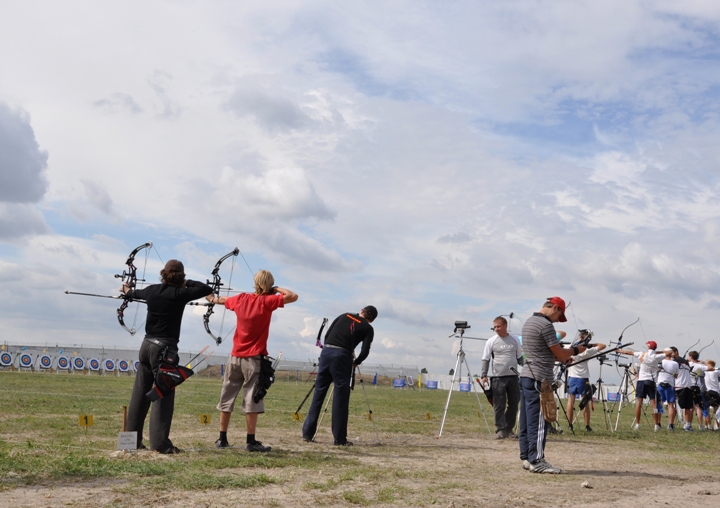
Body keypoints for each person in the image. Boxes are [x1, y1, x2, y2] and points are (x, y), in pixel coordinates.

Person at [124, 259, 213, 453]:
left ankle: (130, 442)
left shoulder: (152, 290)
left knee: (139, 393)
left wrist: (127, 290)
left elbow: (132, 293)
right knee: (163, 392)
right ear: (181, 276)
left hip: (146, 346)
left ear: (163, 273)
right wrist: (186, 282)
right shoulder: (180, 293)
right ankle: (160, 445)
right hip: (164, 349)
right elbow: (205, 288)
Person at [211, 270, 297, 452]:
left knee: (227, 396)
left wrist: (210, 296)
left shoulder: (241, 299)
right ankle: (250, 441)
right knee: (252, 398)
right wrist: (275, 289)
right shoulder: (268, 301)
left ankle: (222, 439)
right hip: (253, 359)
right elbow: (292, 296)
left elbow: (221, 300)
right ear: (269, 285)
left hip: (234, 357)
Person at [519, 297, 588, 474]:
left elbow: (550, 353)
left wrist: (564, 355)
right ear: (555, 307)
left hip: (527, 375)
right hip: (540, 379)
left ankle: (527, 457)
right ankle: (537, 460)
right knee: (540, 420)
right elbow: (558, 353)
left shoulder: (529, 322)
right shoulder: (545, 325)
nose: (558, 320)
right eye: (560, 315)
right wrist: (576, 351)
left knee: (526, 419)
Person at [302, 306, 378, 446]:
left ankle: (307, 433)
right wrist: (356, 362)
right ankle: (339, 438)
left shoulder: (344, 315)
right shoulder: (368, 328)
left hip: (326, 352)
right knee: (340, 399)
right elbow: (365, 351)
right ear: (371, 320)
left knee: (318, 394)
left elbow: (327, 335)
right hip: (342, 357)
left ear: (362, 310)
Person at [480, 316, 524, 439]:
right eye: (495, 327)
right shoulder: (491, 341)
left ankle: (509, 429)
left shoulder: (515, 339)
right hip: (498, 378)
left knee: (514, 404)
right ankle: (500, 429)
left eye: (499, 326)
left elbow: (520, 358)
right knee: (499, 405)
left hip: (513, 377)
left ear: (505, 326)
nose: (496, 329)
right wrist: (484, 375)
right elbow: (486, 358)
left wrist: (527, 368)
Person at [616, 341, 662, 431]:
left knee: (639, 403)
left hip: (641, 381)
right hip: (651, 382)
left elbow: (629, 352)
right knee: (654, 404)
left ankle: (637, 424)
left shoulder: (642, 354)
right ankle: (656, 425)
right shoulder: (656, 356)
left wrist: (619, 351)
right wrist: (657, 352)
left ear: (648, 347)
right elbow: (668, 353)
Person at [566, 337, 606, 432]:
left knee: (570, 401)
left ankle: (570, 425)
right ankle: (587, 426)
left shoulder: (569, 348)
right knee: (585, 401)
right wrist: (590, 345)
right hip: (583, 378)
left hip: (572, 377)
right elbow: (603, 346)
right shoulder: (586, 351)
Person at [670, 347, 695, 431]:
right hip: (688, 385)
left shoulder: (674, 362)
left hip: (679, 385)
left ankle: (671, 424)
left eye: (671, 352)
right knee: (687, 406)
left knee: (675, 405)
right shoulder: (686, 362)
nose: (670, 354)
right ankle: (688, 425)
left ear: (676, 352)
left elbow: (673, 374)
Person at [657, 348, 679, 431]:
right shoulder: (675, 363)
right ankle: (671, 424)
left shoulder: (661, 362)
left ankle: (658, 423)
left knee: (659, 404)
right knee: (671, 405)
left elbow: (656, 371)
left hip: (660, 384)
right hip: (670, 385)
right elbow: (676, 376)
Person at [687, 351, 709, 430]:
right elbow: (710, 367)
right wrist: (703, 362)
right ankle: (700, 425)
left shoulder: (687, 364)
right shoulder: (699, 366)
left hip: (688, 386)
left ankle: (688, 424)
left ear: (690, 357)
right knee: (697, 406)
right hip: (696, 387)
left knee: (690, 407)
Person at [704, 360, 720, 430]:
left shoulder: (705, 371)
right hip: (716, 392)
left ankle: (708, 425)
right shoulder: (716, 372)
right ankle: (717, 426)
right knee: (716, 409)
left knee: (706, 409)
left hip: (708, 392)